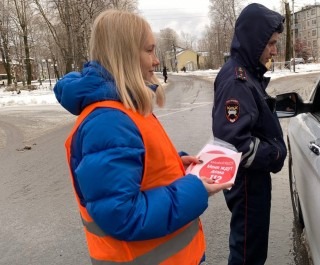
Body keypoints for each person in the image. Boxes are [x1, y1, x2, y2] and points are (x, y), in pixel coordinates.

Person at [53, 9, 232, 265]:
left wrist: (173, 165)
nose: (156, 61)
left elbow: (137, 170)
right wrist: (195, 189)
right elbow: (122, 214)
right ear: (124, 54)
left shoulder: (124, 108)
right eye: (149, 50)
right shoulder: (108, 122)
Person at [211, 3, 287, 264]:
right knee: (247, 254)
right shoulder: (237, 80)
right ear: (256, 41)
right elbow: (235, 144)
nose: (275, 51)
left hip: (251, 181)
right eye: (271, 44)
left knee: (252, 250)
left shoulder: (247, 75)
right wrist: (275, 153)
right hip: (247, 183)